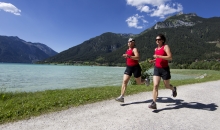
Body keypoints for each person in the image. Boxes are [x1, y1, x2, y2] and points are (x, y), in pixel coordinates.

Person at [148, 34, 177, 109]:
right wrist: (153, 60)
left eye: (159, 39)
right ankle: (154, 103)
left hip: (165, 69)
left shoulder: (165, 47)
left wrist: (158, 56)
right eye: (156, 40)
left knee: (167, 86)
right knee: (155, 85)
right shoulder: (156, 49)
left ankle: (173, 89)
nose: (157, 41)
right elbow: (158, 58)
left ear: (163, 40)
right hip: (157, 69)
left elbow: (170, 57)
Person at [115, 38, 147, 103]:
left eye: (131, 41)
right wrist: (127, 56)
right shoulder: (127, 50)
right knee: (124, 81)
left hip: (136, 67)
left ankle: (146, 80)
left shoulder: (134, 49)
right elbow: (128, 58)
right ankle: (122, 97)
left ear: (134, 43)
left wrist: (129, 56)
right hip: (129, 67)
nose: (129, 43)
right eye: (128, 41)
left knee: (138, 83)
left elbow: (137, 57)